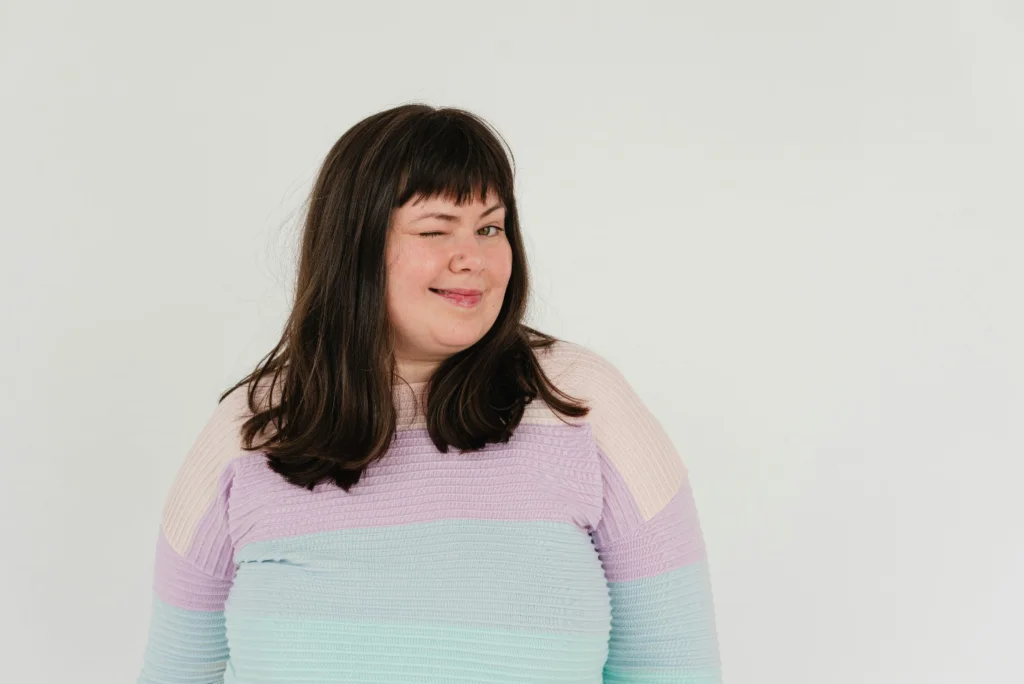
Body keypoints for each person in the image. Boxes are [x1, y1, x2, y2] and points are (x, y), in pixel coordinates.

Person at [135, 103, 723, 683]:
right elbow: (180, 672)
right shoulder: (253, 428)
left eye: (490, 228)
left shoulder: (580, 401)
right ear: (356, 249)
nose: (474, 259)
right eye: (436, 229)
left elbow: (672, 668)